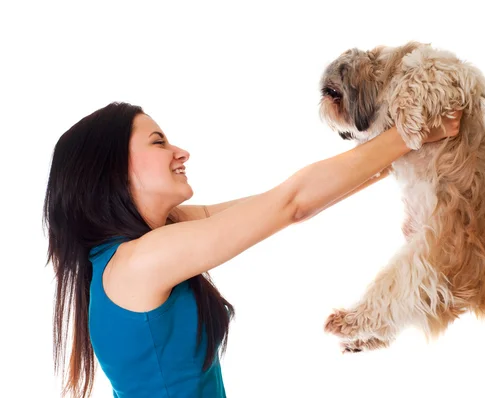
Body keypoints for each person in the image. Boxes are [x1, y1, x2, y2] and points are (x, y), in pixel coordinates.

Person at [43, 101, 462, 398]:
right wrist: (412, 133)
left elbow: (283, 203)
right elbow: (290, 204)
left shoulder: (144, 248)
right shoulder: (140, 263)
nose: (180, 152)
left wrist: (385, 163)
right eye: (158, 142)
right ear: (112, 167)